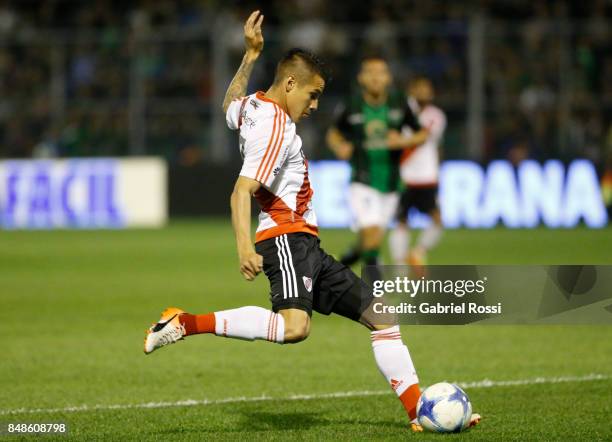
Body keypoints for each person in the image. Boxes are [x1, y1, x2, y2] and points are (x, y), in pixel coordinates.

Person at [143, 11, 479, 433]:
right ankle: (186, 323)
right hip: (285, 239)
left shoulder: (253, 108)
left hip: (306, 244)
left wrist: (249, 56)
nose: (315, 105)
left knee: (382, 316)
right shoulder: (276, 128)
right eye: (313, 94)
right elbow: (240, 190)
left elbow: (229, 105)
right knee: (294, 328)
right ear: (289, 85)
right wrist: (244, 247)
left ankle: (417, 412)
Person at [326, 56, 429, 274]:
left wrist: (403, 141)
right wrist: (340, 147)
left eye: (380, 72)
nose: (375, 77)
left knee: (369, 241)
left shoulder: (400, 102)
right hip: (362, 180)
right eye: (370, 72)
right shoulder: (352, 105)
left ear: (388, 78)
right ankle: (375, 296)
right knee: (373, 235)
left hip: (391, 184)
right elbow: (333, 134)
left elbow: (422, 134)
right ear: (361, 78)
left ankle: (342, 263)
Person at [389, 77, 446, 270]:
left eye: (428, 88)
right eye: (421, 87)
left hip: (426, 176)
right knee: (401, 222)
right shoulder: (398, 113)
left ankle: (418, 252)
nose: (425, 92)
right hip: (403, 176)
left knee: (437, 220)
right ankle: (400, 266)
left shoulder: (436, 115)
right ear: (411, 90)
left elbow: (423, 140)